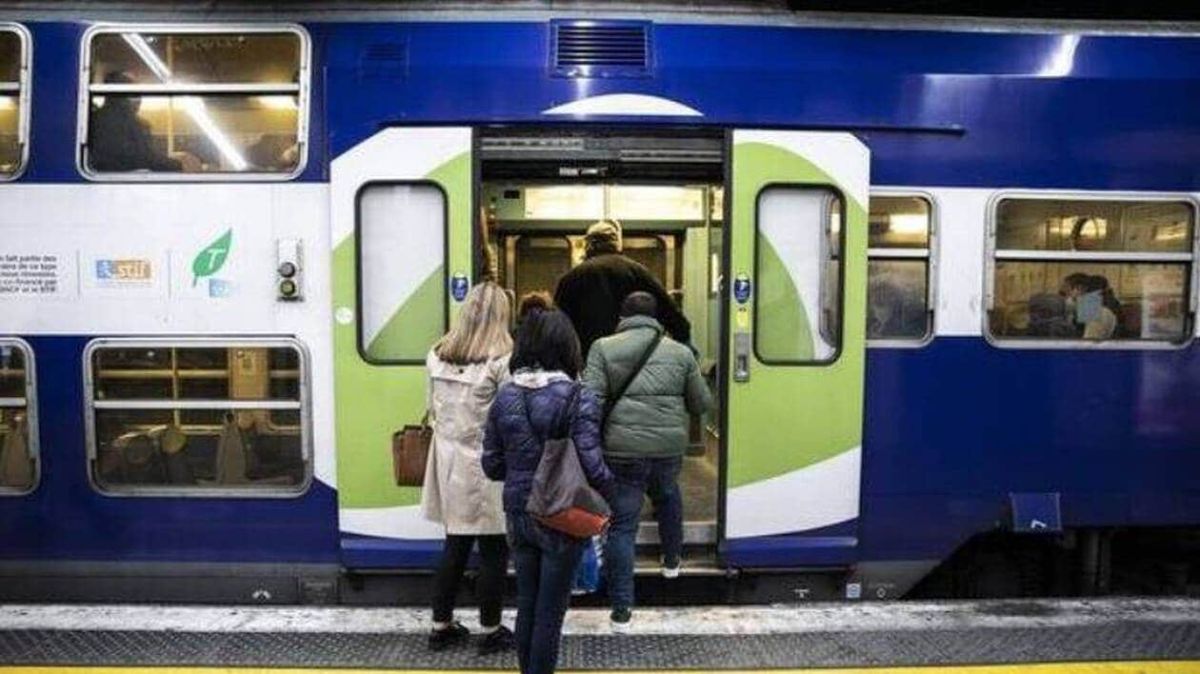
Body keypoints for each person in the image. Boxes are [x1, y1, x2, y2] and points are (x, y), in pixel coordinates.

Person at [482, 309, 615, 674]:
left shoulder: (504, 397)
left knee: (528, 603)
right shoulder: (578, 397)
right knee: (550, 614)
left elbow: (491, 465)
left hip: (518, 514)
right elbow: (591, 465)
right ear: (567, 348)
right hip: (559, 513)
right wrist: (609, 494)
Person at [582, 291, 712, 628]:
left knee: (623, 525)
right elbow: (701, 404)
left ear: (621, 318)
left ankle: (622, 611)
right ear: (657, 318)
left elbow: (591, 400)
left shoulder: (602, 348)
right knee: (667, 493)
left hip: (621, 449)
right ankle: (671, 562)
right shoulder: (681, 353)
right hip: (667, 447)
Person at [420, 281, 515, 655]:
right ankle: (491, 629)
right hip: (486, 463)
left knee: (455, 545)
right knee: (493, 549)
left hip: (446, 460)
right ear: (500, 315)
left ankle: (440, 625)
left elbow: (430, 409)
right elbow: (510, 416)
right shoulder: (502, 360)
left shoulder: (437, 354)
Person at [554, 220, 691, 358]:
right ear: (616, 244)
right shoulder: (637, 272)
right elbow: (673, 317)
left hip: (588, 359)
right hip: (632, 359)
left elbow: (557, 328)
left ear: (588, 245)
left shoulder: (571, 279)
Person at [88, 72, 185, 172]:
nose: (139, 100)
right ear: (122, 95)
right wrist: (179, 165)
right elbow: (142, 159)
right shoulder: (132, 125)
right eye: (136, 94)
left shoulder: (93, 120)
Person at [1064, 273, 1119, 340]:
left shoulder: (1098, 313)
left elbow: (1089, 344)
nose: (1067, 297)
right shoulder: (1089, 311)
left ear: (1079, 288)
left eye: (1067, 291)